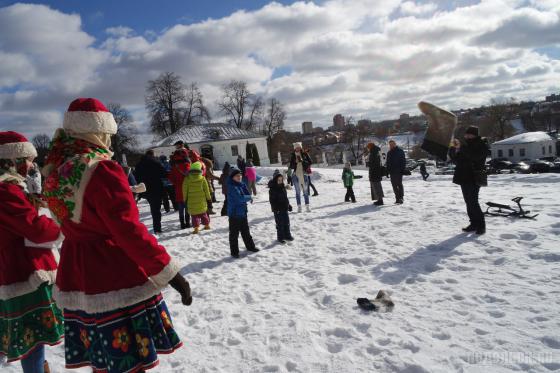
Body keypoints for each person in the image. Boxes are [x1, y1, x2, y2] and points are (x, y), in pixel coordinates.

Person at [43, 98, 192, 372]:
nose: (109, 141)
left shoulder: (56, 171)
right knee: (128, 360)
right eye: (107, 134)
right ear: (97, 131)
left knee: (103, 360)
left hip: (77, 273)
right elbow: (127, 231)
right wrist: (169, 272)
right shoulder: (101, 168)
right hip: (113, 274)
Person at [0, 131, 64, 373]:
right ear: (10, 159)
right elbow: (34, 228)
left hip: (17, 267)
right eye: (26, 159)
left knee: (33, 334)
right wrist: (63, 224)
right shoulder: (5, 190)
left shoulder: (10, 186)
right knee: (32, 335)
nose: (30, 165)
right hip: (23, 272)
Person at [448, 125, 490, 235]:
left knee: (473, 202)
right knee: (468, 202)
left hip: (474, 177)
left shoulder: (482, 144)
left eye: (469, 134)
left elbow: (474, 157)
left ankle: (481, 225)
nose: (466, 135)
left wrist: (461, 147)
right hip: (463, 176)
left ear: (474, 135)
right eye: (466, 134)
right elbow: (456, 160)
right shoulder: (466, 145)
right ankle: (473, 224)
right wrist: (452, 149)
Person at [227, 167, 259, 258]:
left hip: (243, 212)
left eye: (240, 175)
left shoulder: (241, 184)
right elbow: (240, 198)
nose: (239, 177)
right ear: (232, 177)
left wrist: (248, 194)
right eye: (237, 176)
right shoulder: (231, 186)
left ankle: (250, 247)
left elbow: (247, 193)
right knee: (234, 234)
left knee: (246, 232)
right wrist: (249, 197)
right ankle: (234, 252)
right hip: (234, 214)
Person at [134, 149, 168, 233]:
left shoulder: (139, 164)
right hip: (156, 188)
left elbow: (135, 177)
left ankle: (155, 228)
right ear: (152, 155)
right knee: (156, 210)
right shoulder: (156, 162)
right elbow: (164, 174)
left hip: (145, 189)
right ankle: (157, 229)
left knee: (153, 208)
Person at [182, 161, 212, 234]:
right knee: (203, 213)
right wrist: (209, 198)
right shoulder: (202, 178)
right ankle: (207, 225)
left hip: (191, 201)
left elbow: (184, 190)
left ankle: (196, 228)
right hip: (202, 200)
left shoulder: (187, 179)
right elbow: (206, 189)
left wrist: (184, 199)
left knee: (194, 215)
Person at [268, 170, 294, 243]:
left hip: (284, 208)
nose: (280, 181)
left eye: (281, 180)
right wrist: (276, 209)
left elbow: (285, 198)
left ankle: (287, 235)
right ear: (275, 180)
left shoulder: (283, 187)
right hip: (278, 210)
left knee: (286, 222)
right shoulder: (272, 189)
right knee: (280, 224)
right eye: (278, 180)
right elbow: (272, 201)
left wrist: (288, 205)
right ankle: (281, 237)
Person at [169, 151, 191, 229]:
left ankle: (182, 224)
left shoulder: (174, 167)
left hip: (178, 189)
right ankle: (188, 223)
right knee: (187, 207)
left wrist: (176, 183)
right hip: (187, 189)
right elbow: (190, 176)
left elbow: (171, 178)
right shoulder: (187, 165)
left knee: (181, 208)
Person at [289, 142, 313, 212]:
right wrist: (295, 162)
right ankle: (299, 207)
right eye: (296, 147)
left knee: (305, 191)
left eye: (299, 147)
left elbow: (310, 162)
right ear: (294, 148)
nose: (298, 148)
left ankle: (307, 206)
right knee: (297, 192)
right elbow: (291, 166)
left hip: (304, 174)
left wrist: (303, 161)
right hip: (296, 175)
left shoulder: (305, 154)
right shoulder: (293, 155)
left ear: (301, 147)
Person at [386, 139, 406, 204]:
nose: (391, 145)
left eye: (392, 144)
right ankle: (397, 198)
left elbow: (403, 161)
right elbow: (388, 163)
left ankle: (401, 198)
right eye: (390, 145)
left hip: (399, 171)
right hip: (392, 172)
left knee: (399, 184)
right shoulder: (389, 153)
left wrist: (402, 169)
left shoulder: (400, 151)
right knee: (394, 185)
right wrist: (387, 170)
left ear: (395, 144)